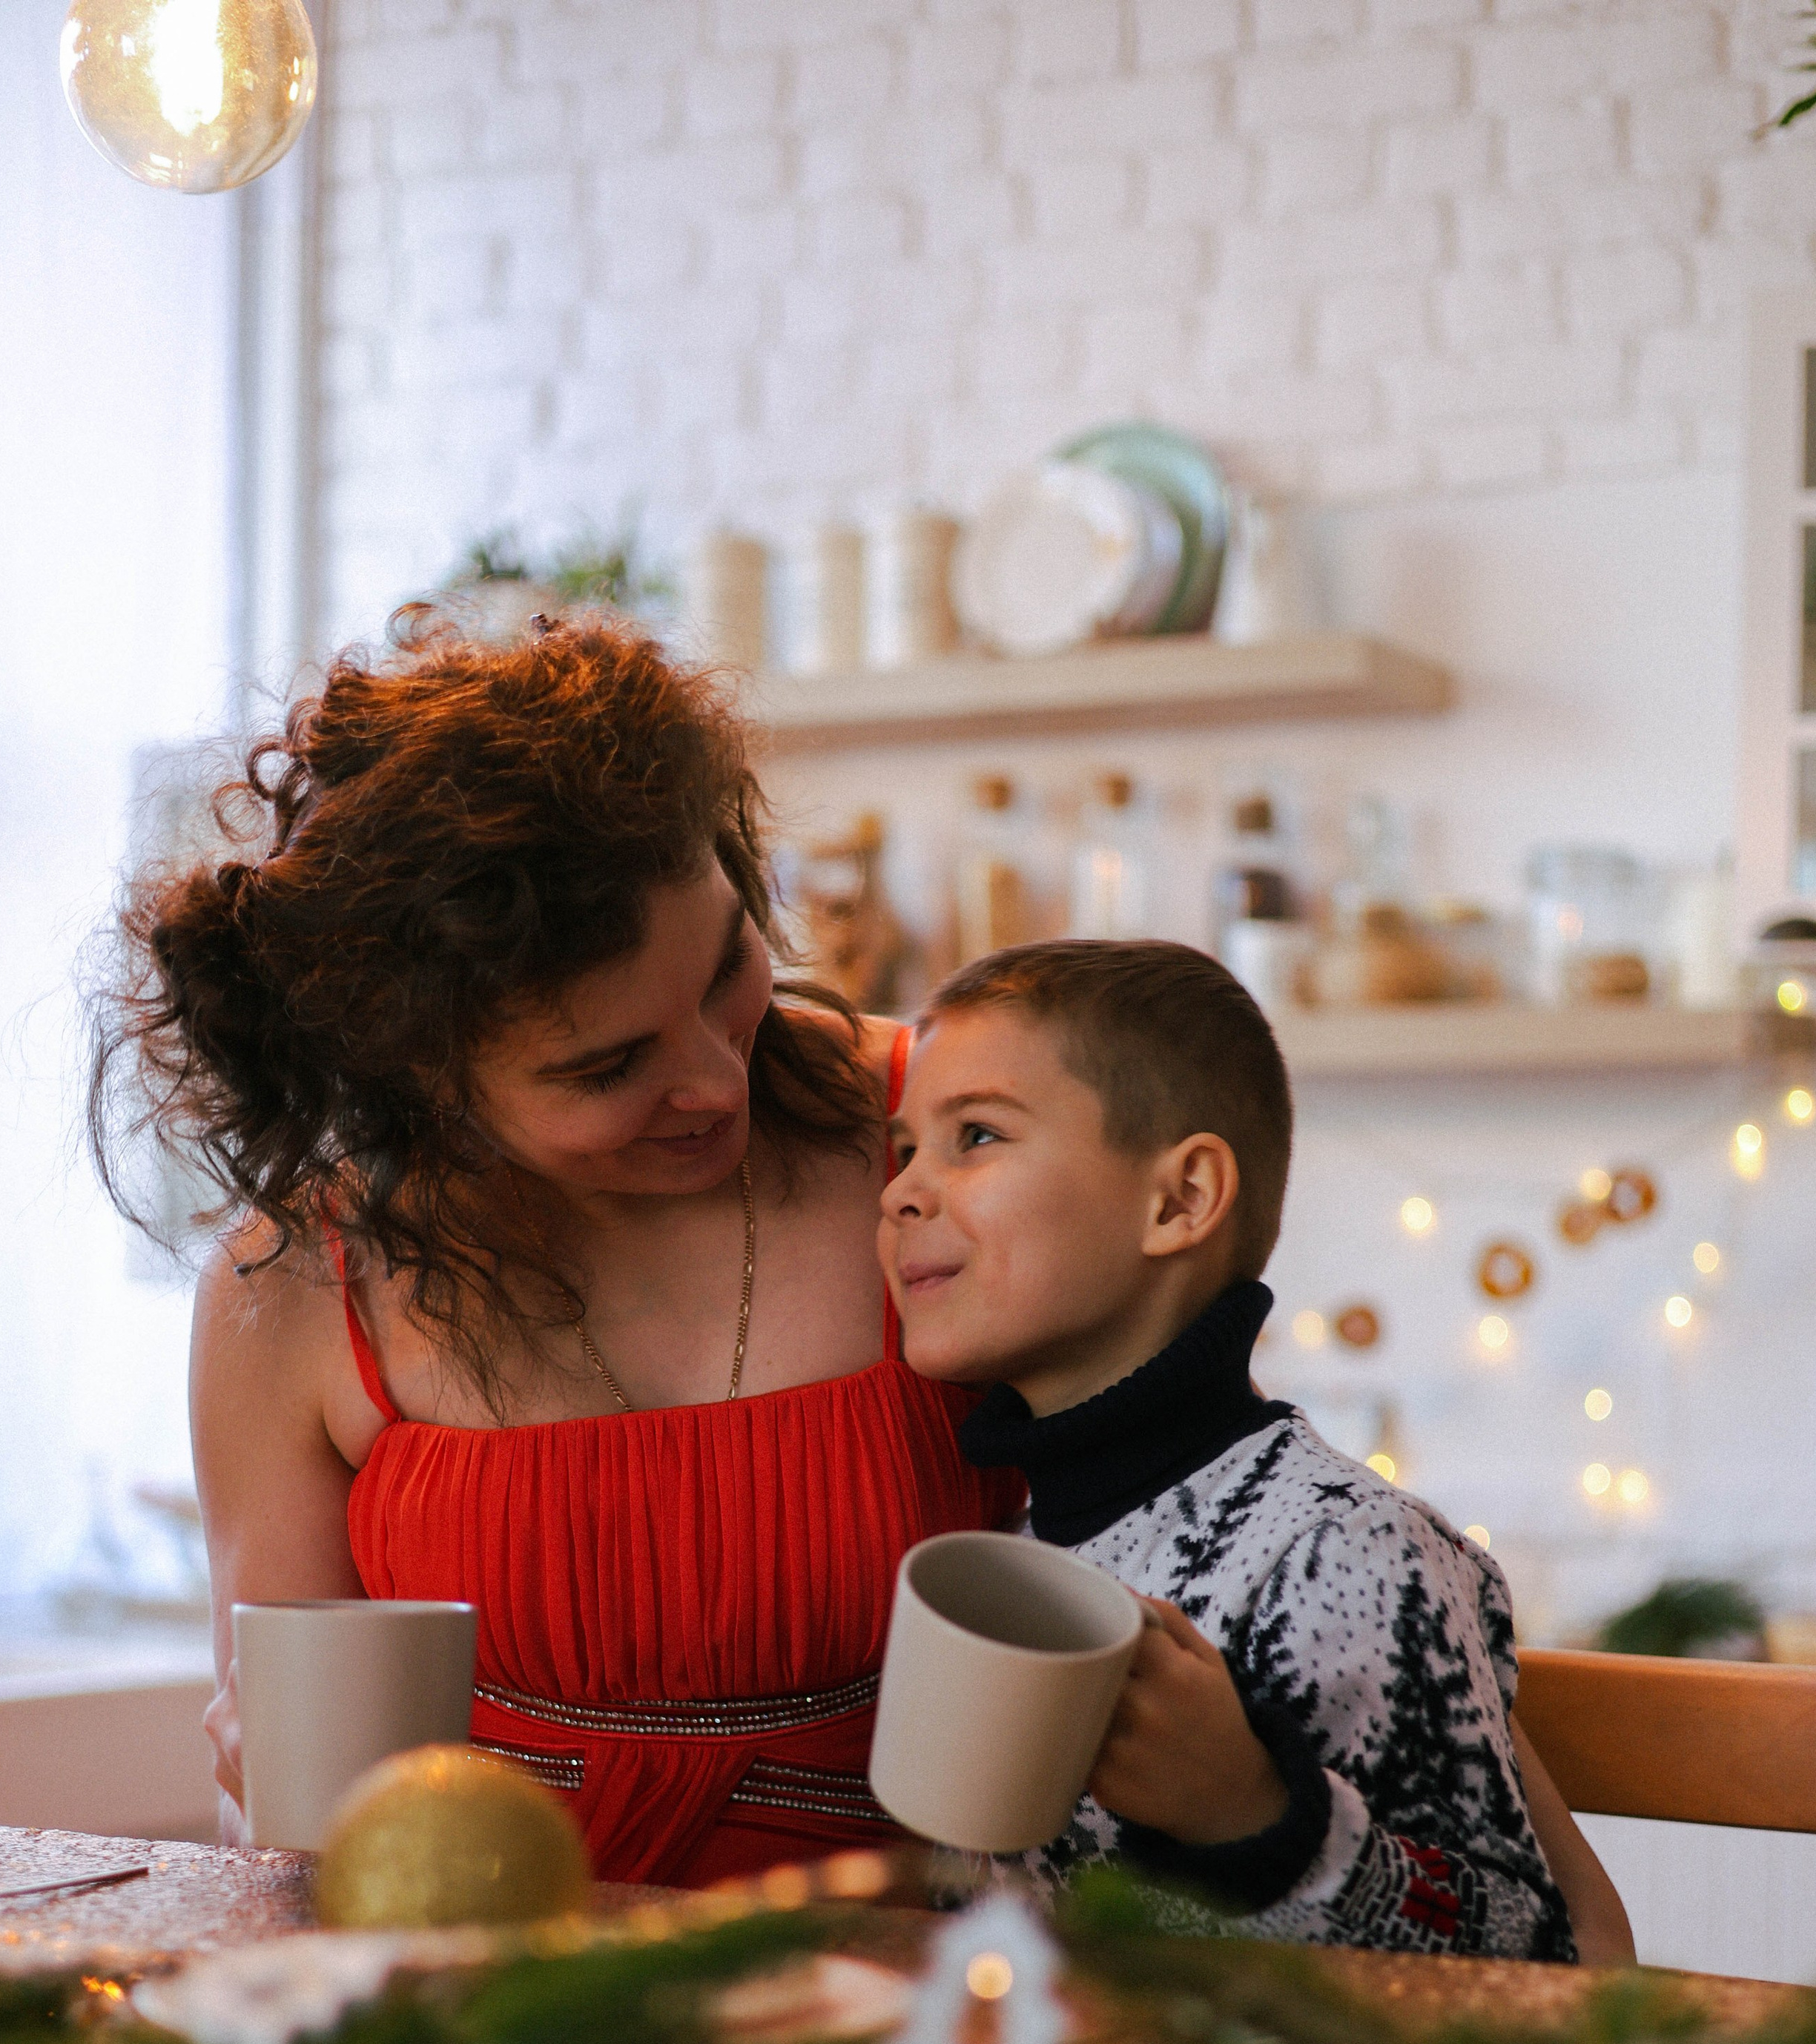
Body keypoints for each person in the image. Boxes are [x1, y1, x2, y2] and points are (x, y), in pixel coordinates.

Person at [90, 617, 1020, 1885]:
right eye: (608, 1064)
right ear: (418, 1073)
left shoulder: (947, 1131)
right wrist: (265, 1778)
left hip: (921, 1985)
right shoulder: (299, 1288)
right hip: (488, 1995)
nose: (714, 1080)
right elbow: (287, 1818)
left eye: (727, 967)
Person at [878, 939, 1634, 1965]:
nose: (903, 1193)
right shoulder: (1007, 1546)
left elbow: (1535, 1977)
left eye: (973, 1136)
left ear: (1180, 1200)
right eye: (902, 1151)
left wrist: (1254, 1818)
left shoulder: (1349, 1557)